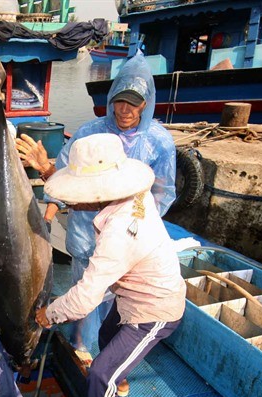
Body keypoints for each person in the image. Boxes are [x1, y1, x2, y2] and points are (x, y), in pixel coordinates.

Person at [17, 51, 176, 366]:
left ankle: (114, 361)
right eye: (119, 100)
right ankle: (84, 350)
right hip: (85, 235)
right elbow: (65, 181)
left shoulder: (159, 142)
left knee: (119, 305)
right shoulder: (89, 133)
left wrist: (136, 234)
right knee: (86, 296)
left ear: (147, 103)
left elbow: (162, 194)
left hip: (126, 242)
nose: (125, 109)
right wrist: (46, 214)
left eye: (134, 102)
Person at [34, 134, 185, 397]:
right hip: (131, 291)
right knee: (105, 335)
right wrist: (50, 171)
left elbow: (85, 298)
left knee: (102, 371)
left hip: (154, 307)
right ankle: (124, 374)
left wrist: (50, 314)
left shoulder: (121, 233)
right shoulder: (133, 195)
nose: (72, 203)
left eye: (77, 195)